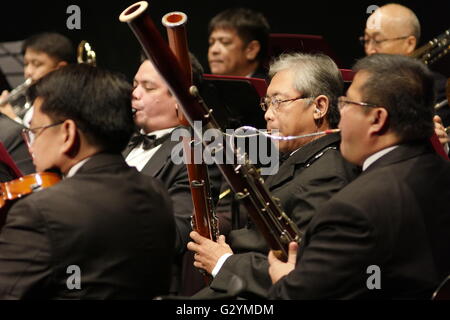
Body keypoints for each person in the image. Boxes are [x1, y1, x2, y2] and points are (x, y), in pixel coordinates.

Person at [268, 54, 450, 299]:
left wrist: (284, 279)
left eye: (347, 104)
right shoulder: (442, 172)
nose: (339, 116)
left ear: (377, 119)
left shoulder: (353, 210)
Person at [187, 53, 359, 299]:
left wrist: (223, 262)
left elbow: (303, 270)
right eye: (266, 104)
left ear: (319, 107)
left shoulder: (329, 174)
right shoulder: (300, 159)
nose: (268, 114)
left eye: (279, 102)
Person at [0, 64, 176, 299]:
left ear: (68, 133)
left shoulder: (39, 212)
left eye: (35, 130)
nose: (30, 145)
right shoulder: (155, 193)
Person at [124, 57, 221, 295]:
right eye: (135, 84)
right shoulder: (121, 139)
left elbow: (176, 233)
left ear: (180, 102)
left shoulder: (197, 154)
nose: (135, 93)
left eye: (148, 87)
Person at [361, 3, 450, 143]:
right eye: (366, 40)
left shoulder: (435, 87)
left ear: (409, 43)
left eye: (377, 40)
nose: (370, 50)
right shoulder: (360, 85)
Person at [0, 32, 75, 126]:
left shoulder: (65, 103)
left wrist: (11, 117)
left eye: (36, 64)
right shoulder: (36, 100)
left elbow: (40, 138)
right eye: (26, 64)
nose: (28, 71)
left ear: (60, 68)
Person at [207, 7, 270, 79]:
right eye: (211, 43)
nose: (213, 50)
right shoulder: (204, 87)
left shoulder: (269, 88)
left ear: (251, 49)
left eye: (225, 42)